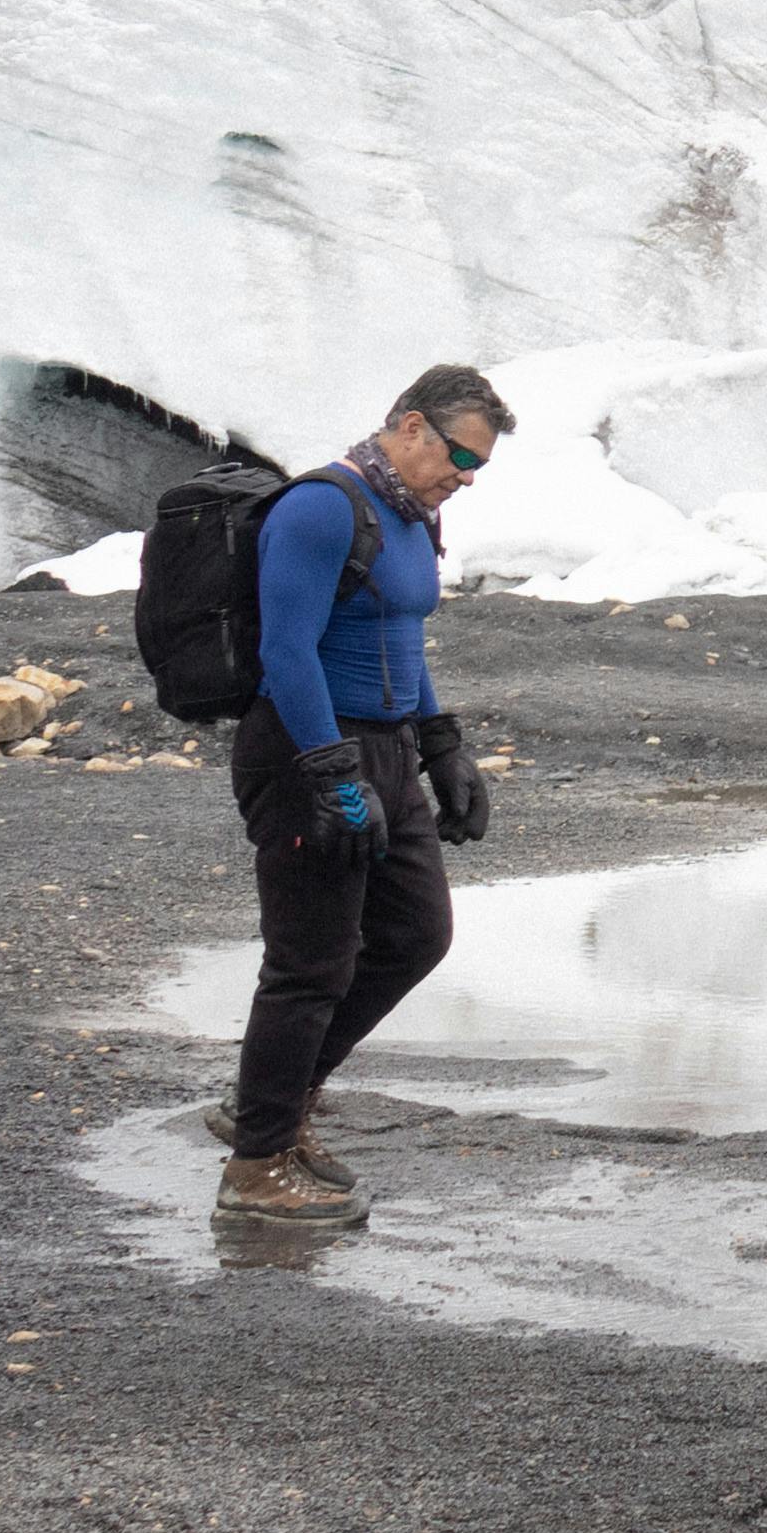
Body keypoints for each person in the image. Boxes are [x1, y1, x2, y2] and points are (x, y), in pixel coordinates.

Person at [210, 363, 510, 1232]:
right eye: (460, 453)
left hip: (388, 749)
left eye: (479, 463)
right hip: (306, 749)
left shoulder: (415, 515)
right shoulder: (320, 507)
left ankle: (272, 1103)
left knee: (416, 934)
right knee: (311, 962)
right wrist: (331, 774)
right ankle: (256, 1166)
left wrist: (442, 740)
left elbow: (398, 634)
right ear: (410, 426)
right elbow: (289, 652)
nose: (465, 473)